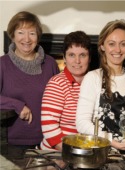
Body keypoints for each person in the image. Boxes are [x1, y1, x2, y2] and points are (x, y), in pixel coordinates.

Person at [76, 19, 125, 153]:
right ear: (102, 46)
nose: (117, 50)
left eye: (123, 44)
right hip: (101, 153)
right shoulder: (93, 78)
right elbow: (82, 123)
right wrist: (112, 141)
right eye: (111, 44)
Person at [0, 11, 59, 150]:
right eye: (21, 32)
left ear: (38, 37)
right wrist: (17, 105)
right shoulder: (2, 64)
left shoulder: (50, 63)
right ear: (12, 36)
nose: (26, 39)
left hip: (48, 141)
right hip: (11, 142)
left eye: (32, 33)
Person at [40, 31, 91, 151]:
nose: (77, 61)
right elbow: (50, 128)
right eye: (71, 55)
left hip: (85, 151)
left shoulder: (94, 82)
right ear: (64, 58)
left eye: (83, 55)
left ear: (89, 58)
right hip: (57, 153)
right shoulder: (57, 83)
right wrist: (75, 153)